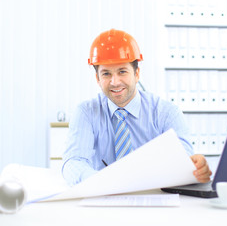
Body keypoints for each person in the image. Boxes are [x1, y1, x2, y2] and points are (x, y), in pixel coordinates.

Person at [62, 29, 212, 186]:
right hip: (102, 196)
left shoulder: (167, 113)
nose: (115, 82)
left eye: (122, 72)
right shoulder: (86, 113)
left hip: (154, 197)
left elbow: (184, 163)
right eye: (106, 74)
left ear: (137, 73)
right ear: (97, 78)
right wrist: (101, 182)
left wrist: (194, 167)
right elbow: (73, 162)